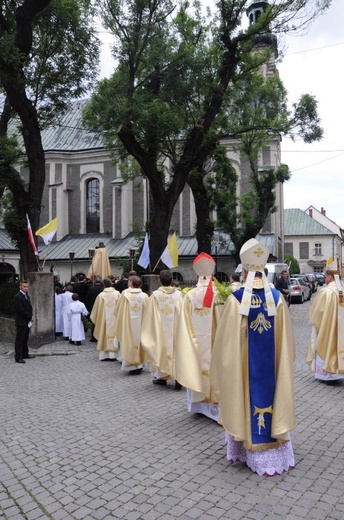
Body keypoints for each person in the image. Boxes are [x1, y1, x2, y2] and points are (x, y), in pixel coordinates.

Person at [210, 238, 296, 476]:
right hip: (271, 370)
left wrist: (226, 371)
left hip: (246, 370)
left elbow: (225, 347)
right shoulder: (278, 299)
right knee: (271, 392)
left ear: (245, 271)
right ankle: (274, 451)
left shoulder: (236, 300)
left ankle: (246, 447)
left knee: (244, 396)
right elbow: (287, 343)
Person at [175, 253, 220, 420]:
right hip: (215, 343)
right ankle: (215, 408)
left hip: (195, 345)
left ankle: (199, 405)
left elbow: (183, 324)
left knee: (197, 367)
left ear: (197, 274)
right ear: (212, 274)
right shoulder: (221, 294)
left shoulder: (189, 295)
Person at [141, 270, 183, 388]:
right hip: (175, 330)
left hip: (160, 330)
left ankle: (162, 377)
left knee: (160, 348)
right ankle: (178, 378)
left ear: (160, 280)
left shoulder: (155, 296)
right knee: (176, 351)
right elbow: (182, 313)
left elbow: (149, 316)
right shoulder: (178, 295)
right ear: (171, 280)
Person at [306, 259, 344, 383]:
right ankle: (337, 372)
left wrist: (314, 320)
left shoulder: (326, 291)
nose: (325, 279)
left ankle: (327, 374)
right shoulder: (342, 291)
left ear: (330, 277)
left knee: (326, 345)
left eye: (326, 276)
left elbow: (317, 313)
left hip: (327, 328)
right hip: (340, 329)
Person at [114, 275, 148, 374]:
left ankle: (130, 365)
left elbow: (118, 310)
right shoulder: (144, 296)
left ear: (131, 283)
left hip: (128, 325)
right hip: (141, 325)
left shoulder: (125, 295)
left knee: (128, 341)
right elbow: (148, 312)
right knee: (140, 342)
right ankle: (139, 365)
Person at [90, 278, 120, 361]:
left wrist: (97, 319)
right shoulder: (117, 294)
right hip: (115, 319)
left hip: (104, 320)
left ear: (104, 285)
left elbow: (96, 310)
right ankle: (114, 355)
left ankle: (105, 355)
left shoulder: (101, 296)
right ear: (111, 284)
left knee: (104, 333)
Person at [14, 280, 35, 364]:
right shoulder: (18, 297)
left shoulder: (26, 296)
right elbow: (21, 310)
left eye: (27, 286)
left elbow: (29, 307)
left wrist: (31, 316)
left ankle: (25, 353)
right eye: (24, 286)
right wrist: (30, 317)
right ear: (20, 287)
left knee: (25, 338)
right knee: (20, 339)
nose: (26, 288)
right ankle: (18, 357)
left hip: (27, 321)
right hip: (21, 321)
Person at [86, 276, 104, 342]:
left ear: (94, 282)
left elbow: (87, 298)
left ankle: (93, 336)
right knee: (101, 322)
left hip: (92, 307)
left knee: (93, 322)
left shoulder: (91, 289)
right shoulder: (103, 289)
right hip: (101, 307)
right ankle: (100, 336)